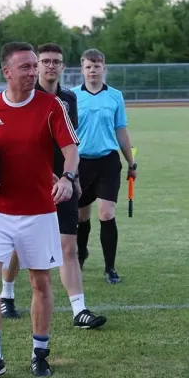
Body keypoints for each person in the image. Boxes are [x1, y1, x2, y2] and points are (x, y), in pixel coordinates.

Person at [0, 42, 80, 378]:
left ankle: (40, 353)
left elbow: (71, 150)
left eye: (35, 66)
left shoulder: (51, 106)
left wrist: (67, 177)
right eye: (26, 67)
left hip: (40, 211)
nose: (34, 72)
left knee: (40, 282)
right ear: (7, 72)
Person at [0, 43, 107, 329]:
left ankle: (79, 310)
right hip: (30, 183)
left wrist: (72, 177)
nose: (49, 66)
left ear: (62, 67)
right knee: (18, 246)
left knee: (67, 247)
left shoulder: (69, 99)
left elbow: (69, 144)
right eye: (44, 61)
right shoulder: (24, 98)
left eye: (55, 62)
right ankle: (6, 294)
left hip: (64, 183)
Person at [71, 48, 137, 284]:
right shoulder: (72, 96)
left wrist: (131, 162)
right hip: (80, 164)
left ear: (103, 69)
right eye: (88, 66)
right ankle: (80, 255)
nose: (92, 70)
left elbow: (121, 130)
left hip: (108, 162)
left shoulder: (115, 96)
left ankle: (110, 268)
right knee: (81, 216)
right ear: (82, 69)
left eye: (97, 66)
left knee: (106, 213)